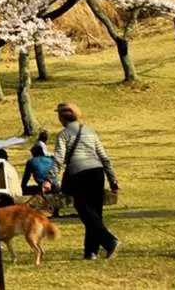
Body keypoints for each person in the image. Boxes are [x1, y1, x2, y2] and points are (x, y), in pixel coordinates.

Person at [53, 102, 120, 259]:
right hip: (97, 173)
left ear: (62, 118)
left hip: (78, 174)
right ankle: (91, 251)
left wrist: (50, 179)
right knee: (95, 212)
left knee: (84, 210)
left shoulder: (63, 134)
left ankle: (109, 241)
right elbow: (104, 158)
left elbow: (58, 160)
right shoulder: (90, 132)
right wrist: (113, 180)